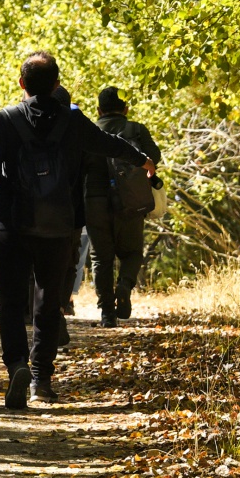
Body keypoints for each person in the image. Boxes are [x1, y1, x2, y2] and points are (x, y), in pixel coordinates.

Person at [0, 52, 153, 410]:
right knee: (48, 301)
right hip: (57, 224)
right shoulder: (71, 120)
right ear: (57, 84)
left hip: (13, 223)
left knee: (11, 302)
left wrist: (13, 190)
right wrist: (142, 160)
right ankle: (40, 380)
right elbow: (108, 144)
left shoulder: (6, 119)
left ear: (22, 83)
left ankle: (16, 365)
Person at [82, 86, 164, 327]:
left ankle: (107, 313)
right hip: (131, 198)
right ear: (126, 109)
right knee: (133, 252)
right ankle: (125, 285)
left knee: (100, 257)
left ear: (99, 110)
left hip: (95, 200)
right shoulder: (136, 130)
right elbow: (154, 156)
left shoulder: (88, 131)